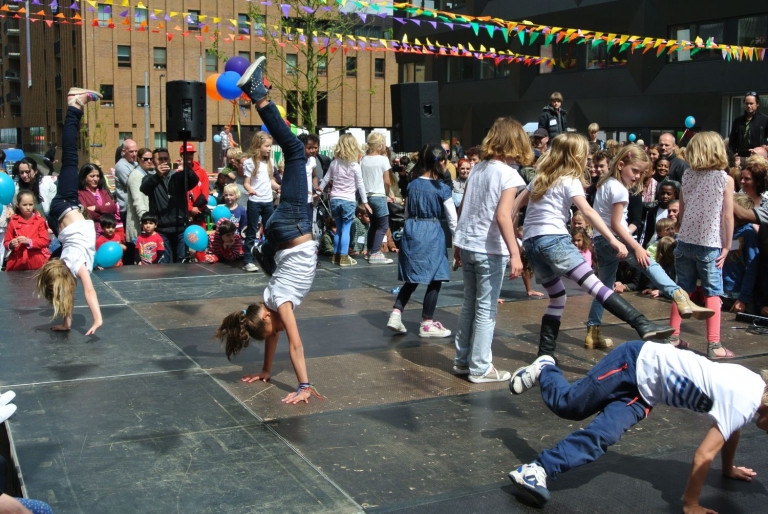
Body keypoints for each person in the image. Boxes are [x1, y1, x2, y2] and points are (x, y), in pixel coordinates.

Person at [508, 340, 768, 512]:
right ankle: (545, 369)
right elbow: (703, 456)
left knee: (603, 436)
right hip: (634, 362)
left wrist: (728, 468)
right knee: (569, 405)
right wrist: (691, 504)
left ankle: (537, 469)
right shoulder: (744, 401)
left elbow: (731, 428)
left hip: (646, 394)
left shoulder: (755, 388)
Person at [215, 57, 321, 405]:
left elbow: (295, 344)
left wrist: (304, 385)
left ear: (268, 316)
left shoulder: (282, 306)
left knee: (294, 150)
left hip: (293, 227)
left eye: (272, 326)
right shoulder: (269, 302)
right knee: (294, 151)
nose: (278, 329)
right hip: (281, 234)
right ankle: (261, 250)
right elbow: (274, 336)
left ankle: (257, 94)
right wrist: (265, 369)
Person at [511, 133, 673, 358]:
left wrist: (513, 247)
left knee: (558, 297)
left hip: (532, 244)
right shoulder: (570, 179)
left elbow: (514, 208)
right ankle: (642, 324)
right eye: (585, 155)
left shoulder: (540, 177)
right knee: (597, 287)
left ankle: (545, 354)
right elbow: (588, 212)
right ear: (576, 156)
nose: (587, 160)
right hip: (554, 241)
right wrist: (613, 239)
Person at [584, 145, 713, 351]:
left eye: (641, 173)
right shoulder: (620, 189)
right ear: (621, 165)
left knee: (604, 288)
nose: (637, 177)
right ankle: (679, 295)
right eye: (635, 171)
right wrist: (637, 247)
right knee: (649, 264)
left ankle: (593, 331)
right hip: (617, 239)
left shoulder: (605, 183)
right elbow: (617, 224)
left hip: (602, 241)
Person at [453, 117, 530, 383]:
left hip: (469, 244)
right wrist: (515, 253)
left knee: (469, 305)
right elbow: (503, 216)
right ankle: (480, 367)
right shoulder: (508, 175)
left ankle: (462, 361)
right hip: (490, 250)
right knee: (486, 310)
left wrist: (457, 244)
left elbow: (463, 208)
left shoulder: (477, 169)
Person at [35, 88, 103, 336]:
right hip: (58, 221)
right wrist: (67, 323)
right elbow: (71, 290)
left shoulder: (75, 264)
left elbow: (89, 291)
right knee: (66, 286)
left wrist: (97, 318)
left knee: (71, 157)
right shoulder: (65, 265)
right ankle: (66, 323)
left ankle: (74, 105)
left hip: (65, 205)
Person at [670, 132, 735, 358]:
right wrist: (727, 246)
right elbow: (727, 216)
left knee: (682, 290)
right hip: (710, 244)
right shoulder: (725, 179)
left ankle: (673, 336)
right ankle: (714, 345)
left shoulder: (687, 175)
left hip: (685, 241)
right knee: (712, 293)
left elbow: (682, 211)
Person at [387, 144, 457, 338]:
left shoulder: (412, 185)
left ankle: (396, 314)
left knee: (412, 277)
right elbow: (452, 219)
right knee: (436, 277)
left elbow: (407, 212)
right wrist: (458, 244)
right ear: (441, 162)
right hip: (432, 231)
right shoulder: (442, 188)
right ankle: (427, 323)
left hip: (413, 229)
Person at [318, 133, 369, 267]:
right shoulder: (355, 166)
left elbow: (326, 179)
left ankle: (335, 255)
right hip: (348, 200)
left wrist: (318, 192)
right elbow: (360, 185)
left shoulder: (334, 163)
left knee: (339, 228)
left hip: (335, 199)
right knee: (346, 229)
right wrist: (365, 202)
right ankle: (344, 256)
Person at [140, 148, 197, 263]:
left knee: (182, 263)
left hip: (180, 228)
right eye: (160, 159)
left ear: (170, 160)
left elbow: (194, 181)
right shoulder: (150, 177)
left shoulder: (177, 175)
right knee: (163, 264)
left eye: (166, 159)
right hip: (162, 229)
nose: (163, 162)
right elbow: (144, 189)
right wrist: (158, 175)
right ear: (154, 162)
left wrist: (186, 169)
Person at [243, 131, 279, 272]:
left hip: (268, 201)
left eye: (270, 146)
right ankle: (248, 260)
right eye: (267, 146)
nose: (269, 149)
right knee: (252, 230)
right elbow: (246, 182)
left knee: (269, 230)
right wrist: (251, 190)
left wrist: (279, 187)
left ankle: (268, 256)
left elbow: (270, 181)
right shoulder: (250, 163)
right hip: (255, 201)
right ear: (258, 146)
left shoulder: (270, 162)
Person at [361, 132, 394, 264]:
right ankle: (375, 253)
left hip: (367, 197)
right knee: (383, 225)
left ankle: (370, 251)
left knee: (373, 225)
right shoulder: (383, 160)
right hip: (379, 196)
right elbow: (387, 181)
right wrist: (388, 193)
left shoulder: (363, 159)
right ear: (380, 145)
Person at [722, 193, 758, 314]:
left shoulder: (748, 235)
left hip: (737, 296)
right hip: (721, 292)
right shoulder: (723, 231)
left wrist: (743, 298)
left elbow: (751, 269)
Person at [4, 190, 51, 271]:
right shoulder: (13, 221)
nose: (28, 207)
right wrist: (11, 244)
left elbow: (45, 241)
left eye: (30, 204)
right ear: (17, 205)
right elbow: (6, 242)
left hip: (36, 261)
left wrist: (29, 241)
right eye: (24, 205)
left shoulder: (40, 220)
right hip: (17, 261)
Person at [124, 147, 153, 265]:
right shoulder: (136, 176)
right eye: (145, 159)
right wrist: (146, 222)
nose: (149, 161)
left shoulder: (147, 174)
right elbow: (138, 201)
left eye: (151, 159)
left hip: (145, 225)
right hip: (138, 226)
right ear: (139, 159)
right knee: (139, 263)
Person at [77, 162, 116, 236]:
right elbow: (85, 213)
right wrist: (106, 211)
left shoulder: (103, 192)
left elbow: (113, 208)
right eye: (92, 176)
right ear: (84, 177)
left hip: (108, 233)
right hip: (92, 231)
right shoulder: (80, 194)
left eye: (98, 176)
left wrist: (96, 208)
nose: (96, 179)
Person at [178, 143, 209, 229]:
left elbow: (205, 194)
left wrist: (196, 209)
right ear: (181, 155)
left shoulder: (202, 172)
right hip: (182, 213)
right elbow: (177, 196)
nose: (189, 156)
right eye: (186, 154)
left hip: (199, 212)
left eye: (191, 154)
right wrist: (190, 208)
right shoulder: (177, 173)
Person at [728, 92, 768, 158]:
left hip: (758, 156)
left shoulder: (765, 120)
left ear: (757, 104)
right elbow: (732, 140)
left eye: (751, 103)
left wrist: (765, 147)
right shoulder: (738, 121)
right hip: (740, 156)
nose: (749, 106)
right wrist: (732, 154)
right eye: (747, 103)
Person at [113, 138, 139, 229]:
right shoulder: (121, 166)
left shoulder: (135, 163)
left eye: (136, 151)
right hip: (127, 208)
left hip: (134, 206)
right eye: (131, 151)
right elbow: (133, 185)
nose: (134, 154)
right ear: (124, 152)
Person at [298, 133, 320, 222]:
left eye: (314, 148)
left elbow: (314, 176)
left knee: (308, 223)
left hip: (309, 199)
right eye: (309, 148)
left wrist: (316, 190)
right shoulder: (296, 161)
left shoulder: (312, 160)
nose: (312, 150)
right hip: (297, 200)